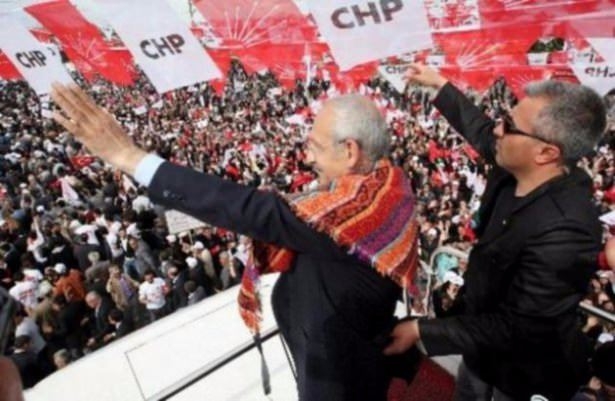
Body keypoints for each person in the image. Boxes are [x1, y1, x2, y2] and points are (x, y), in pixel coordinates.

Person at [50, 84, 420, 401]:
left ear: (350, 151)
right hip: (350, 359)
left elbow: (246, 208)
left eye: (315, 147)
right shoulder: (386, 188)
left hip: (338, 379)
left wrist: (131, 158)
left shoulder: (354, 216)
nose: (307, 157)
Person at [384, 64, 607, 400]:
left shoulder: (569, 227)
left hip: (523, 373)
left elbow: (518, 326)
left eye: (510, 125)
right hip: (478, 349)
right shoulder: (515, 158)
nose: (498, 130)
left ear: (546, 153)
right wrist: (440, 85)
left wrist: (421, 329)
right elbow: (480, 130)